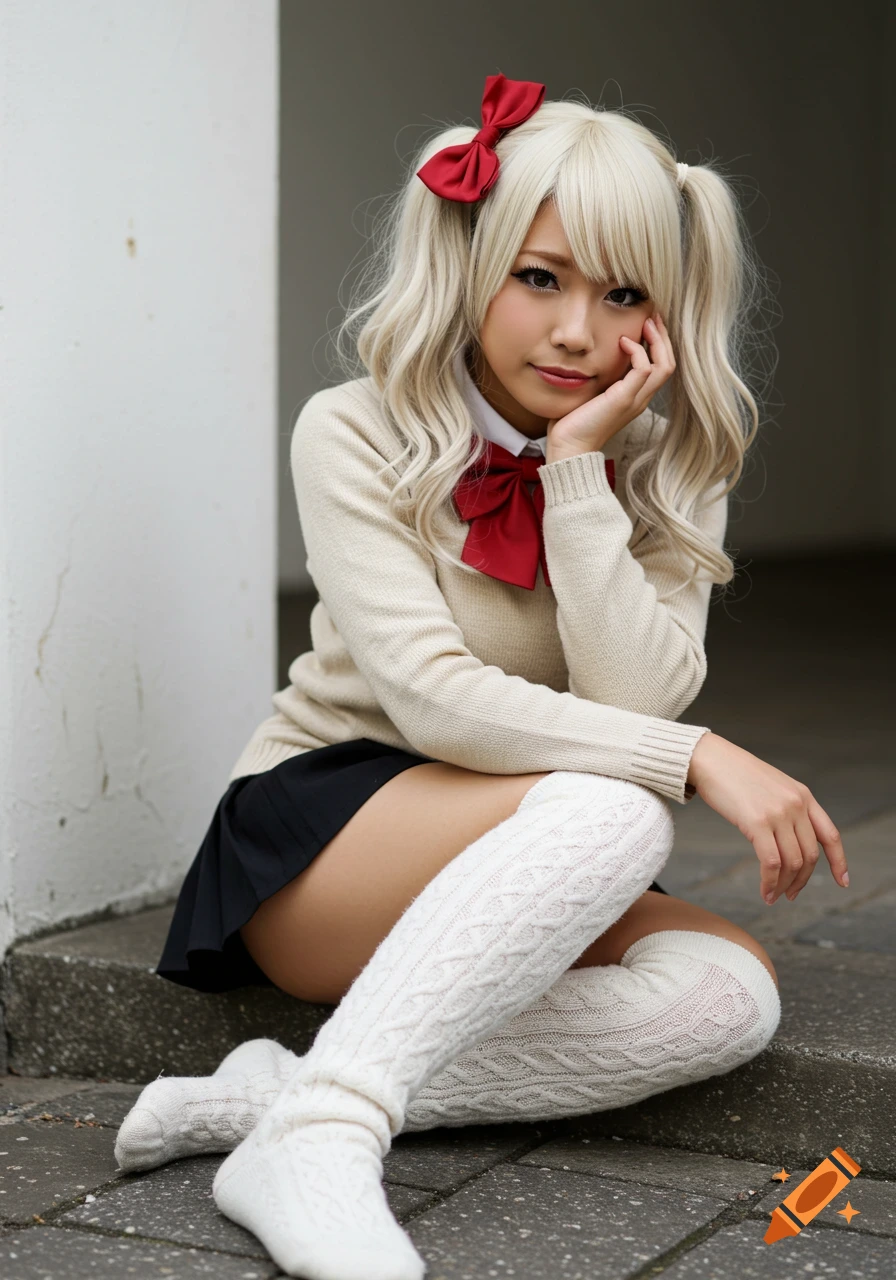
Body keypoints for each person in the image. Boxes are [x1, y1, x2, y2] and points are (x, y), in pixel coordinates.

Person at [116, 75, 849, 1280]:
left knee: (726, 997)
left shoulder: (674, 462)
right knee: (617, 802)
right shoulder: (352, 428)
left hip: (531, 834)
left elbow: (633, 698)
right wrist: (699, 757)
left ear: (664, 316)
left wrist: (578, 476)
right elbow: (430, 696)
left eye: (622, 295)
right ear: (474, 265)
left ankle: (275, 1100)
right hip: (331, 827)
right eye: (539, 277)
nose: (575, 331)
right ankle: (329, 1135)